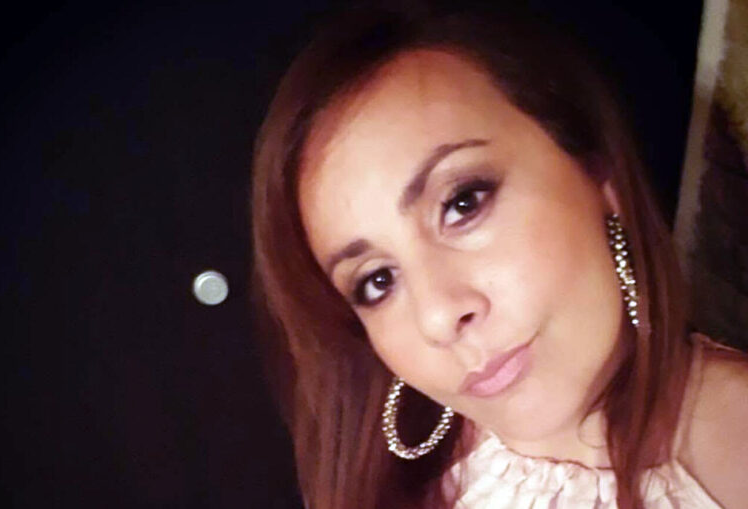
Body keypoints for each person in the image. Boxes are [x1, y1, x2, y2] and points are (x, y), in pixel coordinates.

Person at [250, 4, 748, 509]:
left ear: (597, 172)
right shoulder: (398, 478)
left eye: (463, 204)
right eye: (377, 281)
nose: (438, 317)